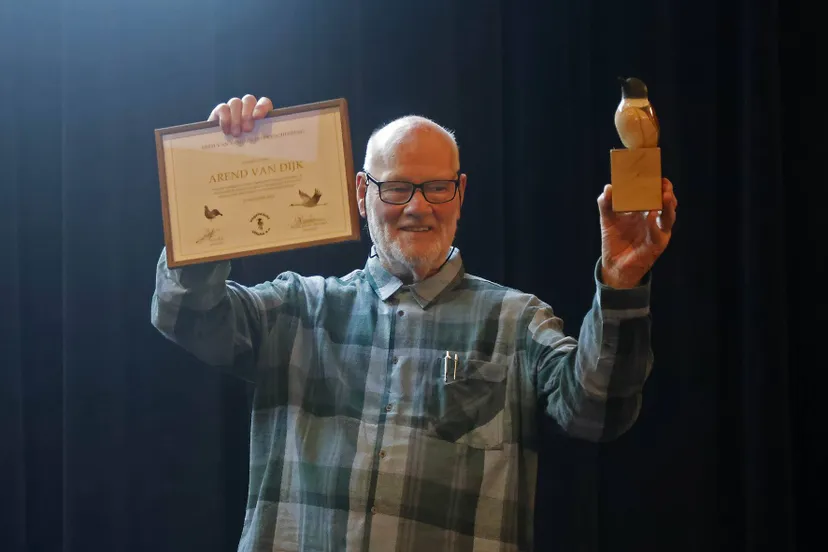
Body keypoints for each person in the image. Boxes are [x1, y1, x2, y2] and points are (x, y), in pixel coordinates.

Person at [151, 94, 678, 552]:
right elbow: (187, 315)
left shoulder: (516, 321)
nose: (418, 208)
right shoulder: (297, 307)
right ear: (361, 194)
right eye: (397, 188)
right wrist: (213, 169)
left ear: (460, 193)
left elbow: (596, 412)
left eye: (437, 188)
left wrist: (620, 282)